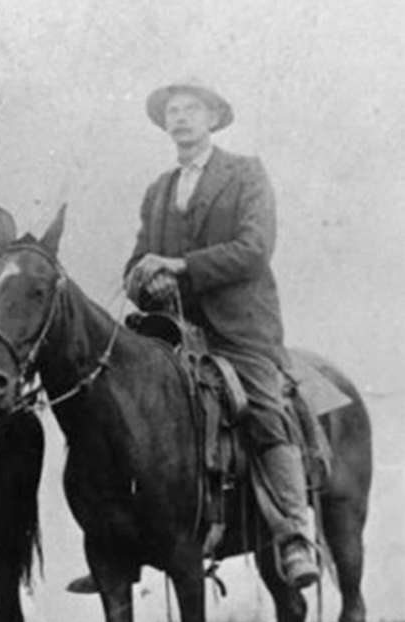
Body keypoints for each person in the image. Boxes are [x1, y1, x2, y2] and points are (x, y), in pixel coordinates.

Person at [69, 79, 318, 594]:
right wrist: (143, 276)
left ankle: (294, 532)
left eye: (191, 110)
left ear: (213, 118)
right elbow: (139, 259)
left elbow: (253, 249)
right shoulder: (159, 190)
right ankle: (121, 539)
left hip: (238, 329)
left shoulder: (245, 174)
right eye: (172, 111)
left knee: (264, 406)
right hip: (172, 332)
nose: (180, 118)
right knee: (118, 404)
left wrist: (180, 266)